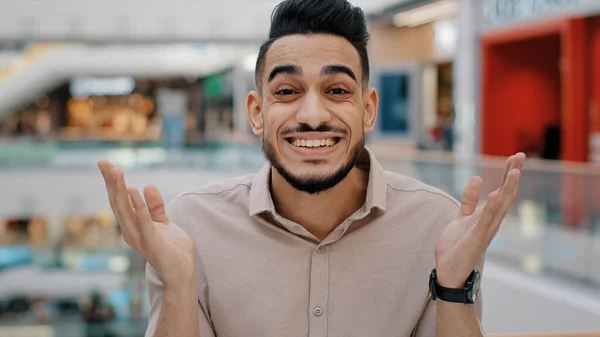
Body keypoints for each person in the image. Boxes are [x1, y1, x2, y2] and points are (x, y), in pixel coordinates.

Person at [97, 0, 526, 336]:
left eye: (337, 89)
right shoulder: (190, 226)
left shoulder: (438, 224)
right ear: (257, 112)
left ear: (369, 109)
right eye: (287, 90)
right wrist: (177, 285)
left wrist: (454, 288)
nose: (313, 114)